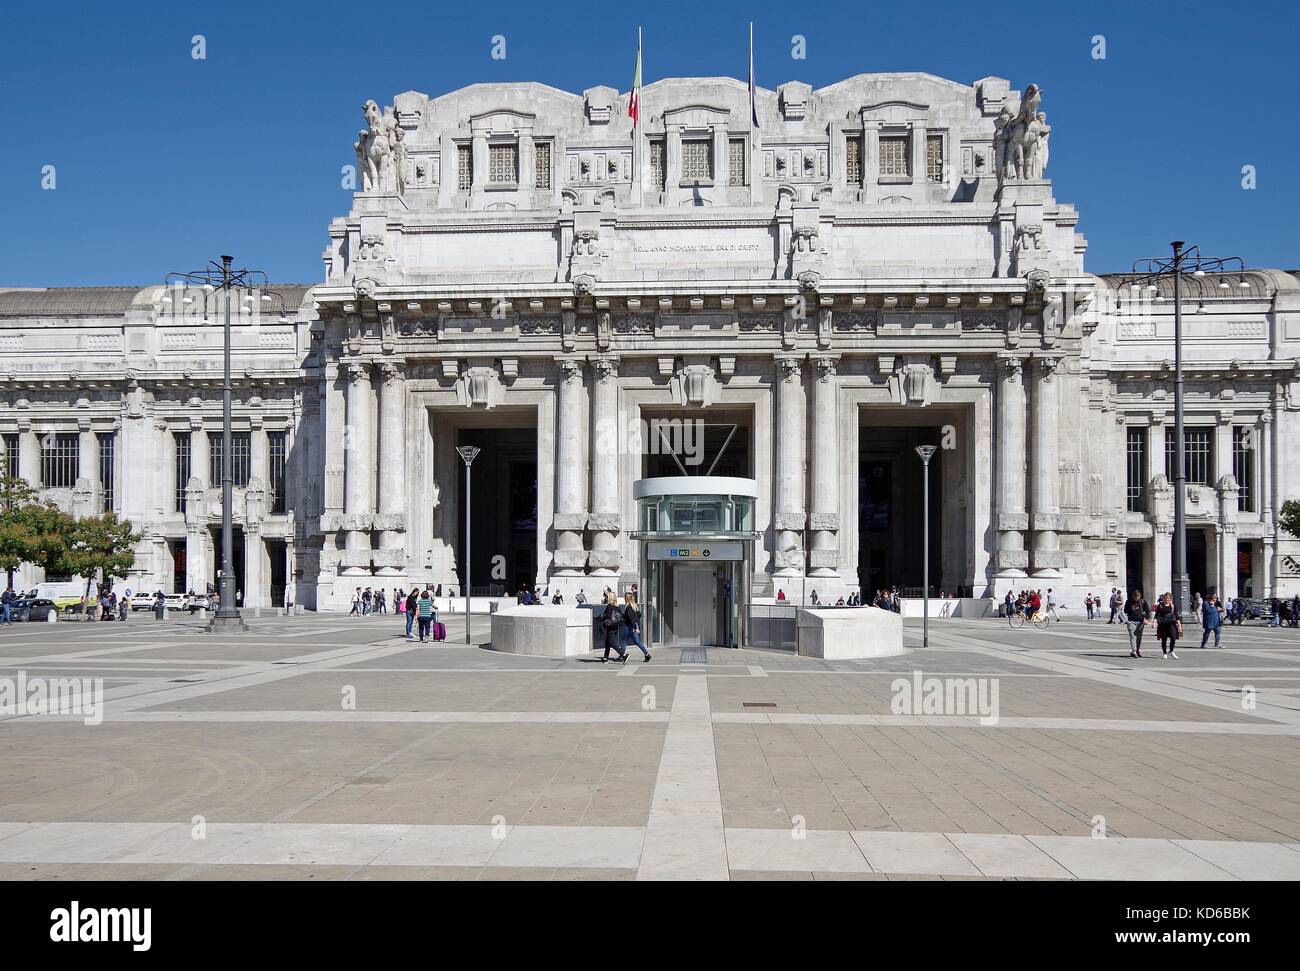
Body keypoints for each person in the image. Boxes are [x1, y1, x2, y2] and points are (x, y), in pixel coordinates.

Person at [598, 592, 628, 663]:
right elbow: (619, 616)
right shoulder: (617, 606)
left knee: (612, 642)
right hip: (615, 626)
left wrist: (602, 616)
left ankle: (624, 655)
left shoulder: (609, 606)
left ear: (609, 597)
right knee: (607, 642)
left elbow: (608, 616)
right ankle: (605, 658)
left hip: (610, 627)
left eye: (607, 596)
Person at [621, 593, 651, 662]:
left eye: (625, 598)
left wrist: (635, 627)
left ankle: (623, 655)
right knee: (637, 642)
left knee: (623, 641)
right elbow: (639, 615)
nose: (624, 599)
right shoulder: (635, 606)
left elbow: (631, 618)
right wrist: (635, 624)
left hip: (628, 626)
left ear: (627, 599)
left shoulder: (628, 607)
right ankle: (647, 654)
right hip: (633, 626)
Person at [1123, 589, 1151, 658]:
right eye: (1135, 597)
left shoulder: (1143, 602)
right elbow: (1125, 610)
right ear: (1132, 596)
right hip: (1131, 621)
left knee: (1139, 637)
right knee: (1133, 636)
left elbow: (1147, 611)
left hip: (1140, 622)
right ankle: (1134, 651)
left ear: (1140, 596)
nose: (1136, 598)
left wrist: (1146, 619)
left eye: (1138, 597)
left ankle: (1137, 650)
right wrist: (1131, 609)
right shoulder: (1129, 601)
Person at [1154, 593, 1180, 659]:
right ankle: (1165, 653)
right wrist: (1154, 622)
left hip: (1172, 624)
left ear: (1171, 599)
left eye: (1168, 598)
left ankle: (1171, 651)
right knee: (1164, 639)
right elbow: (1156, 615)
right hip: (1163, 624)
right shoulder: (1160, 605)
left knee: (1173, 637)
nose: (1167, 599)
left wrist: (1179, 625)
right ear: (1163, 598)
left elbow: (1176, 616)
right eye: (1166, 598)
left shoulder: (1173, 606)